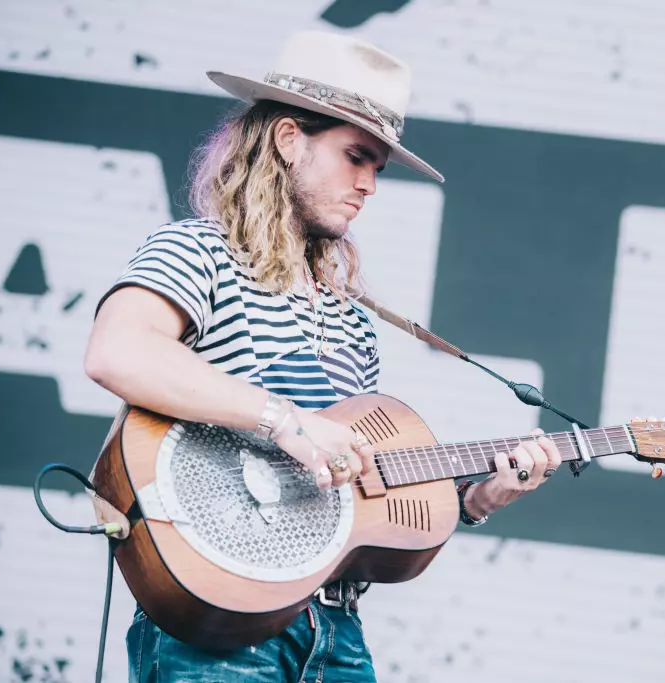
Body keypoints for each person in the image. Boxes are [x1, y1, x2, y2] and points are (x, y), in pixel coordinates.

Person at [83, 30, 562, 682]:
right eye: (355, 157)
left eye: (378, 168)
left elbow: (350, 499)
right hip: (219, 622)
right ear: (287, 139)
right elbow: (117, 350)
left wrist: (478, 497)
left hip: (335, 633)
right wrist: (286, 419)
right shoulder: (197, 252)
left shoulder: (349, 318)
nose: (368, 184)